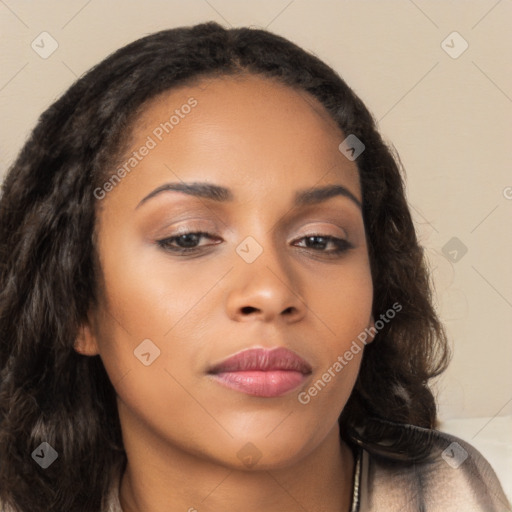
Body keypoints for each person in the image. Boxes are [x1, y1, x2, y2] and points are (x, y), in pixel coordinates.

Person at [0, 21, 509, 512]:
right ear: (77, 303)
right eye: (189, 237)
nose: (269, 290)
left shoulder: (457, 493)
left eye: (319, 240)